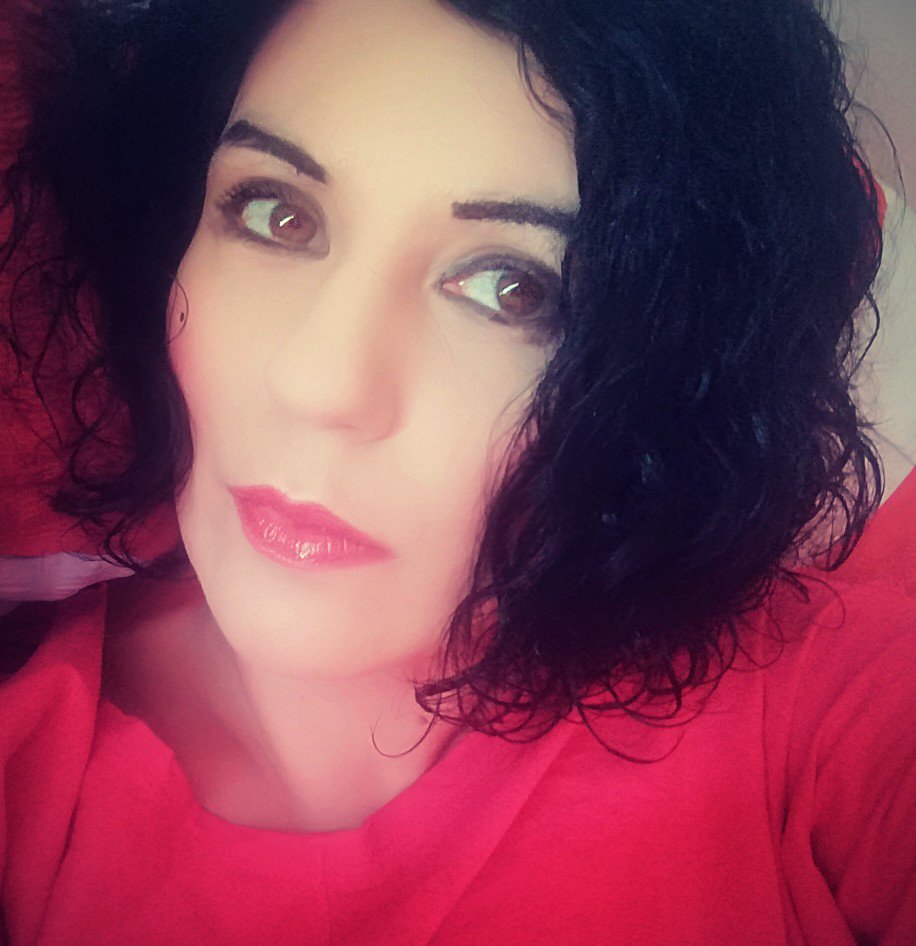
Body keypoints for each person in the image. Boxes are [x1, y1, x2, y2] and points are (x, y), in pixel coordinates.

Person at [0, 0, 913, 943]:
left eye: (511, 288)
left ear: (665, 370)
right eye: (276, 213)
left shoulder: (815, 707)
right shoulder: (24, 768)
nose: (319, 383)